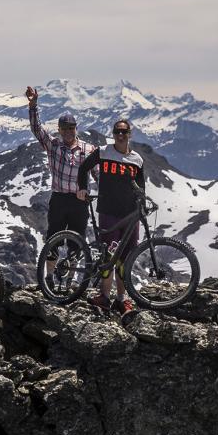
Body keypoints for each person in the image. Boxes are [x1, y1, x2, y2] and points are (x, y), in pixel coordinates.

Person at [75, 118, 144, 315]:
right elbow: (83, 167)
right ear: (113, 134)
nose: (120, 135)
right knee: (109, 256)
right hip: (108, 212)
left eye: (124, 132)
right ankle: (104, 297)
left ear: (130, 134)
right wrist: (81, 188)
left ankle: (122, 299)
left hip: (131, 216)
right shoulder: (104, 151)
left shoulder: (138, 160)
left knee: (127, 258)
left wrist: (143, 205)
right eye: (117, 132)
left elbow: (141, 188)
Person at [27, 85, 96, 276]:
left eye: (71, 128)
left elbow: (98, 174)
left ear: (76, 128)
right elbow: (36, 129)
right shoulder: (54, 145)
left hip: (80, 201)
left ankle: (70, 283)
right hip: (58, 199)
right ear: (59, 129)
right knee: (54, 239)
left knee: (77, 241)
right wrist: (33, 105)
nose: (68, 131)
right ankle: (49, 278)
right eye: (64, 128)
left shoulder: (88, 149)